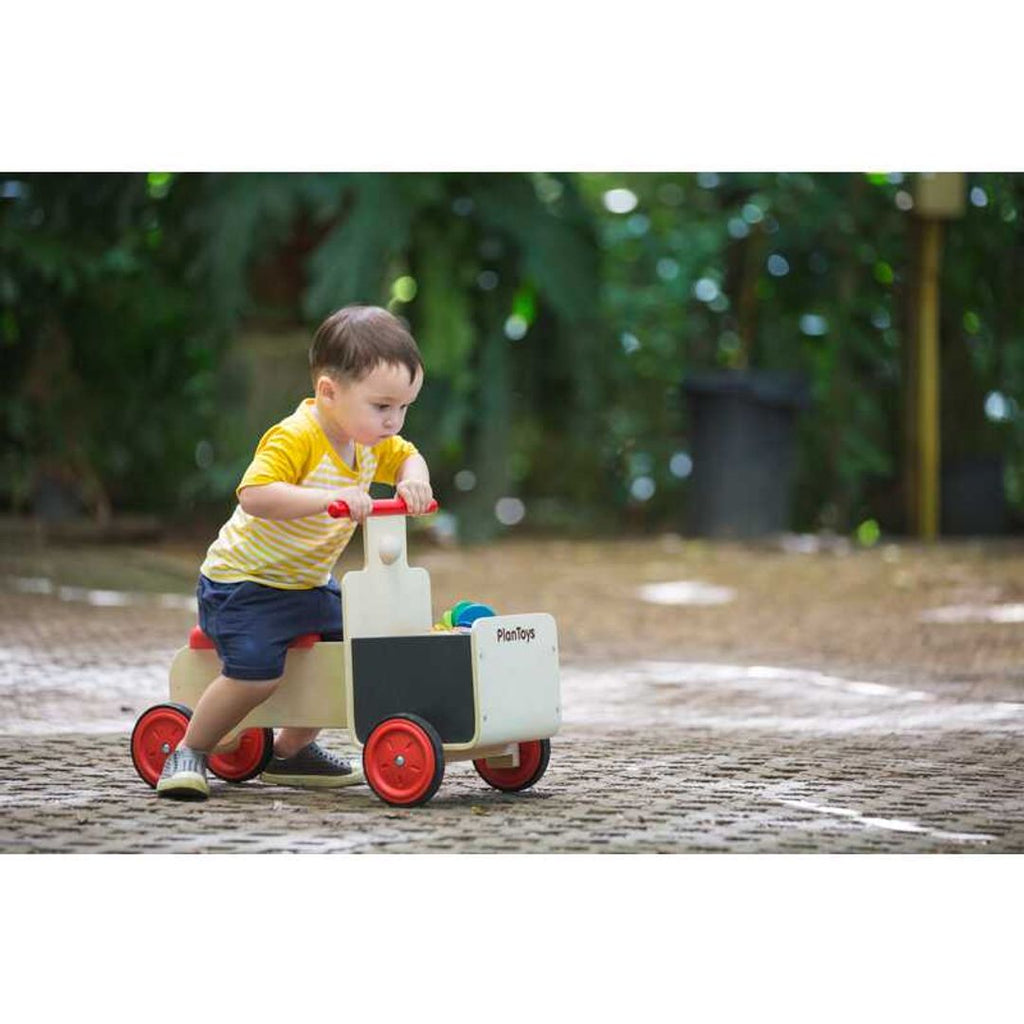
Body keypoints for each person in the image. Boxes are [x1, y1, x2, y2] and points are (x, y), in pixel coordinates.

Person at [157, 305, 434, 800]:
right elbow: (255, 494)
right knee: (257, 675)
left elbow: (408, 455)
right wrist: (328, 502)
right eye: (383, 406)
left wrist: (416, 482)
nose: (394, 421)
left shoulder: (372, 440)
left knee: (365, 650)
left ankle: (291, 751)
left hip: (306, 586)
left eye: (404, 408)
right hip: (242, 586)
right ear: (329, 392)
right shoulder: (297, 436)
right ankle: (190, 749)